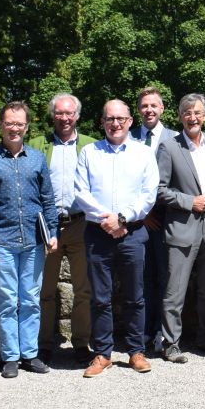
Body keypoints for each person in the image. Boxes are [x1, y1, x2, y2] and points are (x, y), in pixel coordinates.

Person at [0, 102, 58, 378]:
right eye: (9, 123)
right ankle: (10, 356)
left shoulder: (36, 158)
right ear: (1, 125)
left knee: (31, 300)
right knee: (7, 301)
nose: (14, 128)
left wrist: (52, 232)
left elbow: (48, 199)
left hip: (34, 241)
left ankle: (30, 354)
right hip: (2, 242)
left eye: (19, 123)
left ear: (27, 126)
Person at [73, 100, 159, 378]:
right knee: (100, 298)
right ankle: (102, 354)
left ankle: (136, 351)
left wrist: (123, 218)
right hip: (98, 234)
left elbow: (149, 194)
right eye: (110, 118)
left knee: (135, 296)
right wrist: (108, 220)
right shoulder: (89, 152)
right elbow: (81, 192)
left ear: (130, 121)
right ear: (102, 122)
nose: (115, 123)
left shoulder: (143, 154)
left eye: (121, 118)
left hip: (132, 233)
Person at [27, 93, 96, 366]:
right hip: (48, 227)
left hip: (81, 224)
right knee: (44, 289)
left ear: (77, 115)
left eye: (69, 113)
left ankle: (81, 343)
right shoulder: (37, 145)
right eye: (59, 113)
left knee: (84, 289)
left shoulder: (92, 145)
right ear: (52, 115)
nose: (64, 118)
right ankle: (43, 344)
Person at [157, 93, 205, 363]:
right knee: (175, 290)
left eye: (197, 112)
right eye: (187, 113)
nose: (192, 117)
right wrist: (188, 202)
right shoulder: (169, 147)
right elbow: (159, 190)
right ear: (180, 117)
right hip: (183, 225)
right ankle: (170, 343)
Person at [134, 86, 174, 354]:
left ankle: (162, 333)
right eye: (144, 106)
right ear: (139, 110)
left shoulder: (175, 138)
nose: (149, 110)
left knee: (165, 278)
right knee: (141, 280)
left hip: (168, 220)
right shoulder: (127, 137)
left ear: (161, 109)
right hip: (138, 219)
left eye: (154, 105)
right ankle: (143, 334)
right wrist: (143, 213)